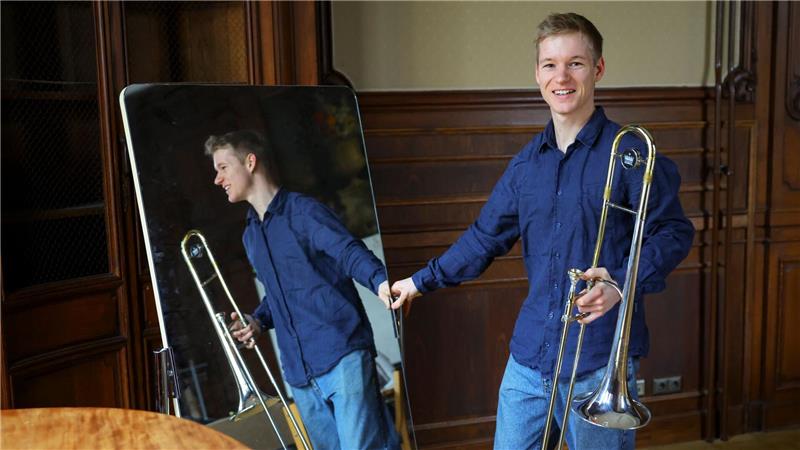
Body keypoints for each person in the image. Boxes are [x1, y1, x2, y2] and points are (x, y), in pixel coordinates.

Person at [389, 12, 694, 450]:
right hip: (530, 361)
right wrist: (418, 282)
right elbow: (482, 239)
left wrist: (621, 284)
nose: (562, 76)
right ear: (537, 74)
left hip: (597, 360)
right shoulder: (526, 165)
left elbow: (673, 232)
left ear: (598, 69)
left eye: (576, 63)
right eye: (550, 64)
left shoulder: (629, 153)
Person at [206, 130, 400, 450]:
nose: (217, 179)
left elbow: (347, 252)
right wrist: (257, 320)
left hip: (341, 354)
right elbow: (280, 293)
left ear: (250, 162)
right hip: (299, 375)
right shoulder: (251, 236)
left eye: (223, 167)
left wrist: (379, 280)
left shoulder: (304, 212)